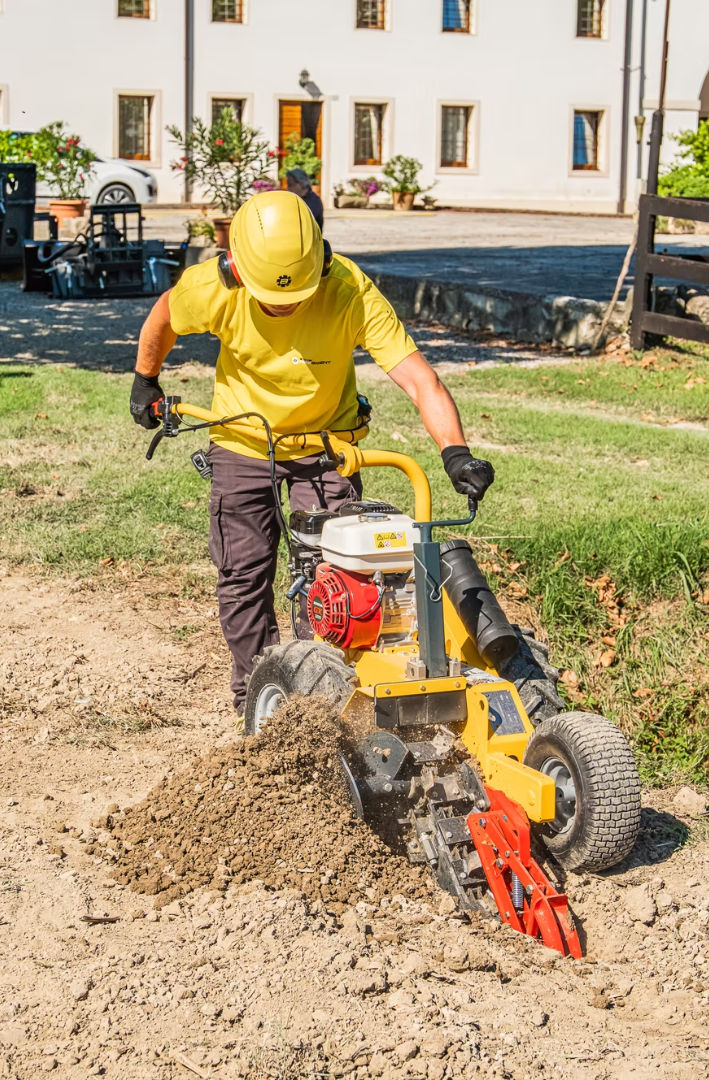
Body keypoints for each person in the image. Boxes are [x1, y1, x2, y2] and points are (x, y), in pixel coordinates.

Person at [130, 190, 494, 714]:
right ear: (235, 269)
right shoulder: (211, 286)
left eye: (297, 294)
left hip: (328, 445)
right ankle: (257, 696)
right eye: (271, 297)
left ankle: (323, 700)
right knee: (244, 573)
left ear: (320, 264)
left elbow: (419, 378)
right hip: (242, 440)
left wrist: (455, 452)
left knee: (338, 575)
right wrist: (146, 379)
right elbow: (163, 318)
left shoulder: (348, 289)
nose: (285, 305)